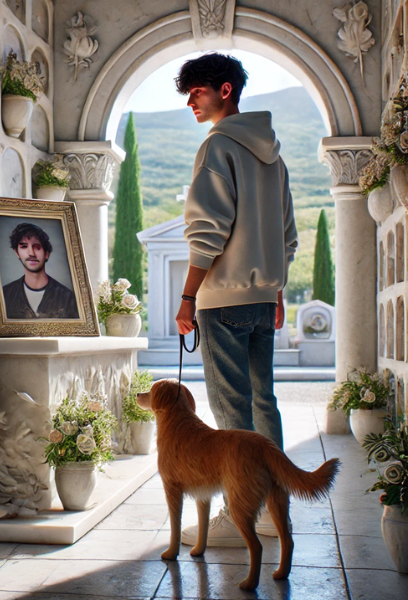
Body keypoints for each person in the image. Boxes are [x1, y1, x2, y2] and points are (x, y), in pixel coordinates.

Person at [174, 53, 298, 546]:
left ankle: (241, 511)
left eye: (197, 92)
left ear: (225, 90)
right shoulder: (275, 156)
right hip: (262, 298)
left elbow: (207, 231)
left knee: (232, 414)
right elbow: (286, 233)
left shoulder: (218, 147)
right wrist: (276, 290)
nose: (190, 103)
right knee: (263, 403)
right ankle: (274, 510)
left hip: (222, 300)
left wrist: (187, 296)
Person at [2, 222, 78, 319]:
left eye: (37, 247)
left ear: (47, 254)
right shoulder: (4, 295)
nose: (31, 253)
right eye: (24, 247)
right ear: (17, 253)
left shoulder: (68, 298)